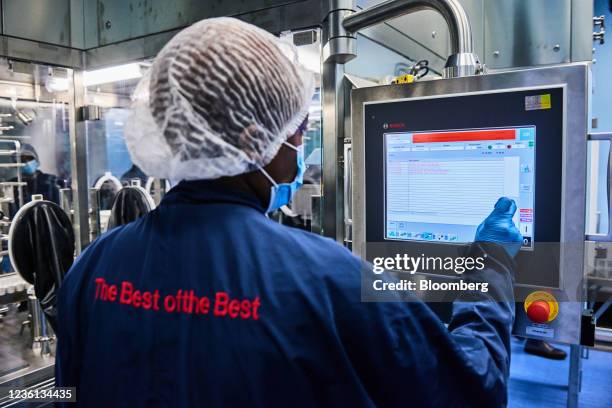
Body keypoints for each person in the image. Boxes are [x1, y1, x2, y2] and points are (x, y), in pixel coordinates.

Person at [56, 18, 523, 407]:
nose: (299, 147)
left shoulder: (95, 264)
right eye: (297, 131)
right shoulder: (330, 280)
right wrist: (493, 266)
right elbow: (472, 391)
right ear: (253, 140)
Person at [10, 144, 63, 214]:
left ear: (36, 160)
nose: (26, 162)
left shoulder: (53, 181)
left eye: (29, 158)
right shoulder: (11, 185)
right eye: (21, 160)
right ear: (15, 164)